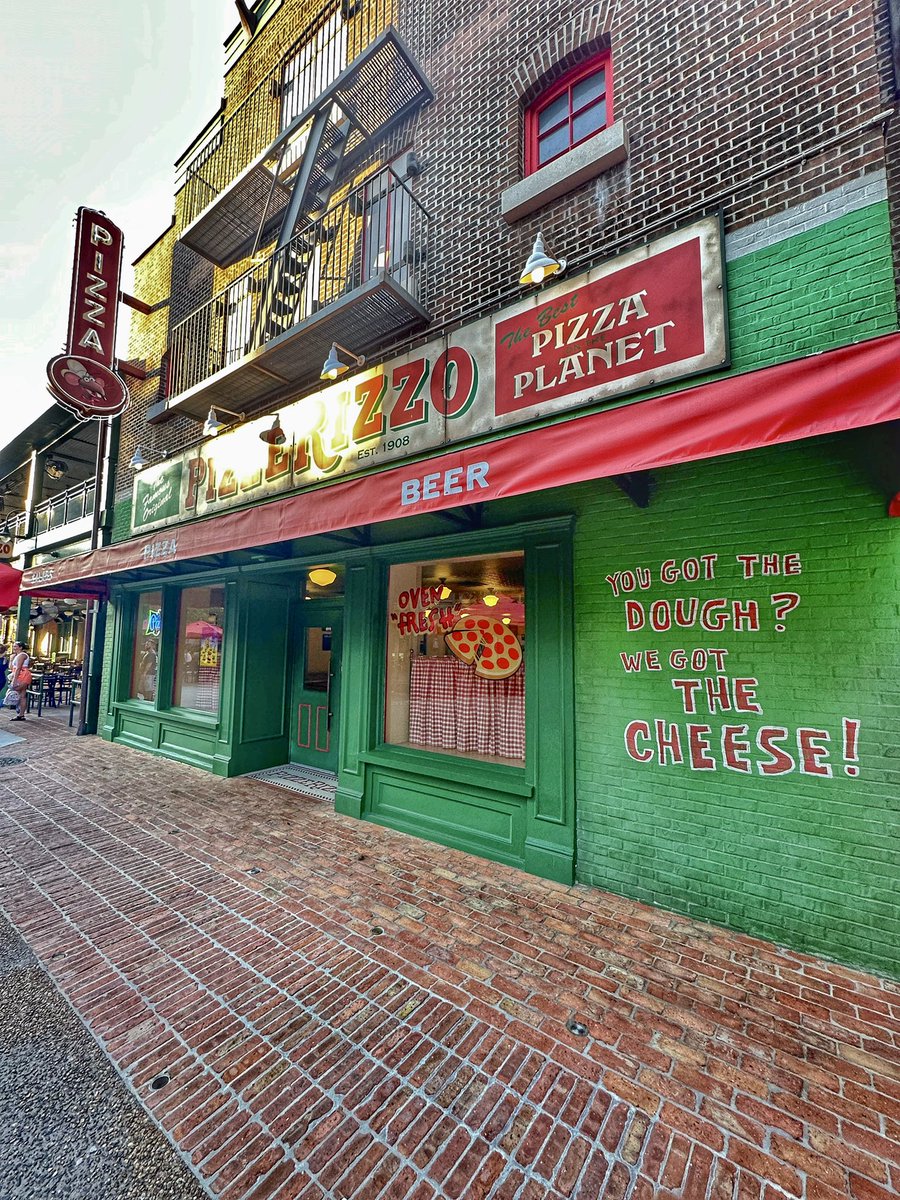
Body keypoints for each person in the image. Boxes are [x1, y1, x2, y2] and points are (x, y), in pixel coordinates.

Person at [8, 640, 31, 721]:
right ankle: (21, 713)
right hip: (18, 674)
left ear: (20, 647)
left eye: (15, 646)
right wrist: (11, 659)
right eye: (13, 646)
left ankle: (20, 712)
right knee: (22, 695)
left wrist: (14, 680)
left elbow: (18, 668)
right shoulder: (16, 655)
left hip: (22, 675)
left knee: (20, 694)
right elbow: (11, 668)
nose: (14, 648)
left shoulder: (22, 655)